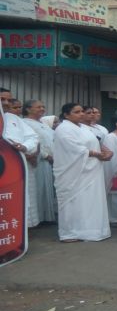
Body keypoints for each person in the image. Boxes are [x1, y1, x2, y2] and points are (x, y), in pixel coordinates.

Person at [53, 103, 112, 242]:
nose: (81, 114)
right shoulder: (63, 128)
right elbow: (75, 148)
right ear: (66, 115)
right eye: (76, 112)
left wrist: (106, 152)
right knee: (73, 202)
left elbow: (95, 142)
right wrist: (98, 154)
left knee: (91, 201)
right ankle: (69, 233)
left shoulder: (84, 128)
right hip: (73, 173)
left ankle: (91, 231)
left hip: (92, 170)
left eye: (81, 111)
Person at [1, 88, 40, 227]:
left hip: (17, 166)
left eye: (9, 100)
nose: (6, 103)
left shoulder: (13, 118)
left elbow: (32, 137)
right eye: (2, 99)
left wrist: (24, 147)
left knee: (15, 200)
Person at [23, 100, 58, 223]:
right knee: (37, 189)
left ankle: (44, 217)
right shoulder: (25, 123)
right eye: (38, 107)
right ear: (28, 109)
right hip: (38, 160)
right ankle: (36, 218)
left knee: (46, 189)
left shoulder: (42, 123)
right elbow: (35, 142)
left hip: (49, 162)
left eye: (43, 106)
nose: (42, 109)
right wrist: (45, 155)